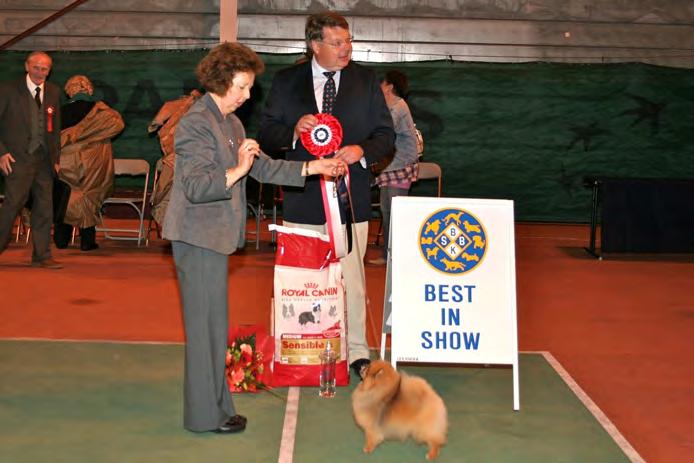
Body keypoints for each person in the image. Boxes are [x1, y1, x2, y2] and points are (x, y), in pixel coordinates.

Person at [162, 42, 346, 434]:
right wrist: (240, 167)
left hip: (215, 237)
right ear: (222, 81)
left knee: (215, 325)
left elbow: (261, 168)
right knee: (202, 329)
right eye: (243, 86)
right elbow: (196, 186)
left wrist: (315, 166)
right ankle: (202, 417)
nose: (248, 95)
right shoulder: (197, 122)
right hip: (196, 237)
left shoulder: (229, 122)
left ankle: (218, 408)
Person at [257, 11, 395, 379]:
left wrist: (360, 151)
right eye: (336, 43)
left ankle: (356, 354)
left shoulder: (366, 81)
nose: (345, 49)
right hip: (302, 197)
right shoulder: (286, 82)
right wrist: (292, 131)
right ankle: (307, 348)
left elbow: (386, 136)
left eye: (348, 41)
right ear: (314, 45)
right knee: (304, 280)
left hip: (353, 201)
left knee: (351, 278)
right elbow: (266, 133)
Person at [0, 51, 62, 269]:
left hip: (44, 160)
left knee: (45, 207)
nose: (40, 72)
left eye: (44, 68)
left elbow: (55, 128)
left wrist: (56, 157)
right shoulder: (7, 90)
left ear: (49, 70)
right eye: (36, 67)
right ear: (27, 66)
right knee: (11, 206)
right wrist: (1, 152)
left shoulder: (53, 91)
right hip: (16, 159)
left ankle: (42, 255)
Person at [53, 75, 125, 251]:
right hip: (93, 160)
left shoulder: (58, 111)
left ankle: (61, 240)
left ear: (70, 91)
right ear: (88, 89)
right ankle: (87, 241)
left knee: (66, 197)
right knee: (89, 196)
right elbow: (117, 125)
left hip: (66, 160)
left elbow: (49, 137)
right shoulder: (102, 112)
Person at [368, 70, 420, 266]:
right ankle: (389, 255)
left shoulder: (398, 106)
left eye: (382, 84)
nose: (379, 88)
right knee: (387, 211)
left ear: (389, 86)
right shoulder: (388, 106)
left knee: (395, 213)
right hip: (391, 166)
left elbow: (384, 130)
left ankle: (396, 257)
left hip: (402, 165)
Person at [147, 89, 202, 226]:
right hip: (175, 163)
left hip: (195, 166)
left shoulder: (204, 114)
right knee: (167, 199)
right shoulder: (180, 108)